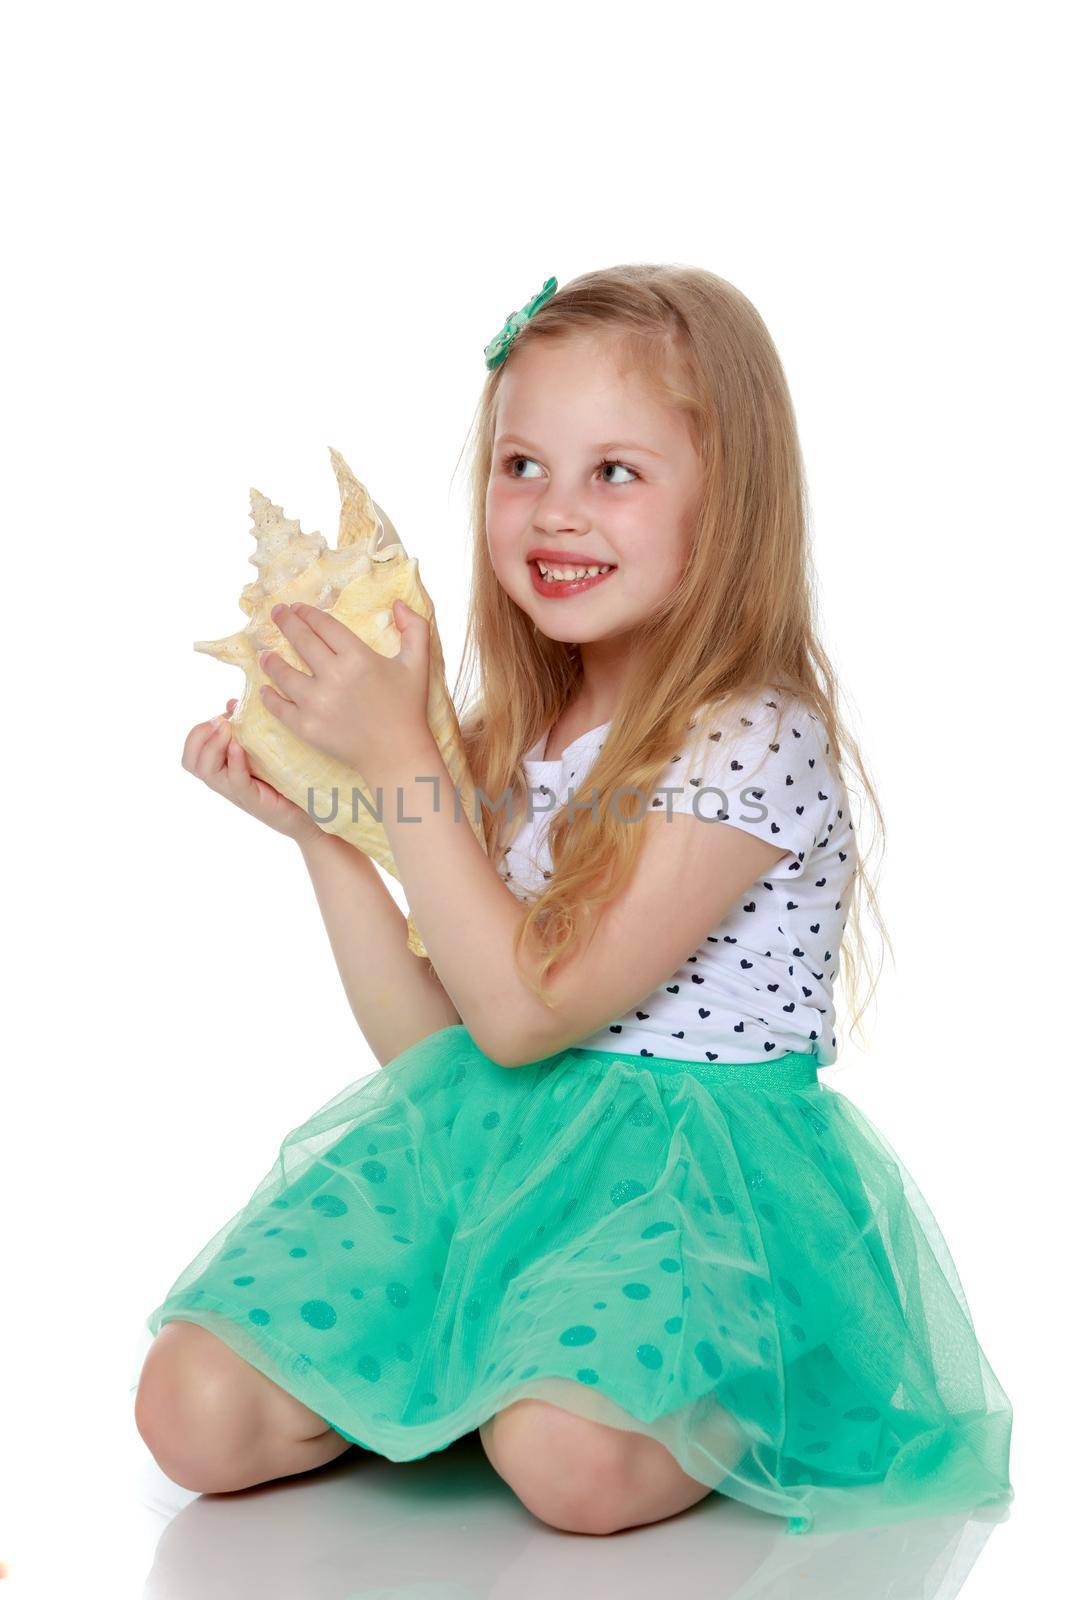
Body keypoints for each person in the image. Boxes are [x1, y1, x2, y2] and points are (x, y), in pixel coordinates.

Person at [134, 265, 1014, 1539]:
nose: (554, 512)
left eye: (616, 471)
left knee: (567, 1464)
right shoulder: (514, 737)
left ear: (729, 500)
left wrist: (398, 767)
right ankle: (479, 1369)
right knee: (191, 1410)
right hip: (500, 1164)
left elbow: (527, 1016)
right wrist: (327, 832)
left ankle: (741, 1388)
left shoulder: (750, 744)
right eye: (519, 466)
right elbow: (439, 1057)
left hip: (689, 1197)